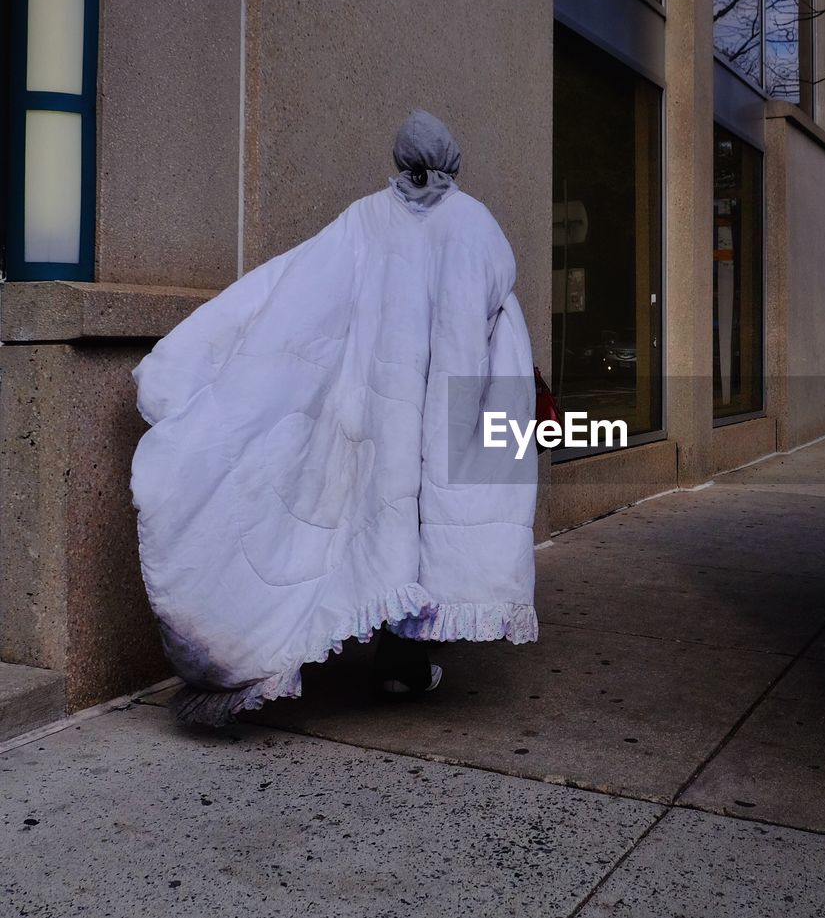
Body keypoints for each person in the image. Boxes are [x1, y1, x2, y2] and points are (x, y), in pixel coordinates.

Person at [130, 110, 539, 726]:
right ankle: (403, 661)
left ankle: (380, 652)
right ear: (452, 160)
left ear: (401, 161)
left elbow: (289, 289)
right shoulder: (474, 223)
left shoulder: (365, 219)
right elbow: (490, 319)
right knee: (428, 530)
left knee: (375, 524)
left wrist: (195, 362)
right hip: (445, 411)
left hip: (370, 419)